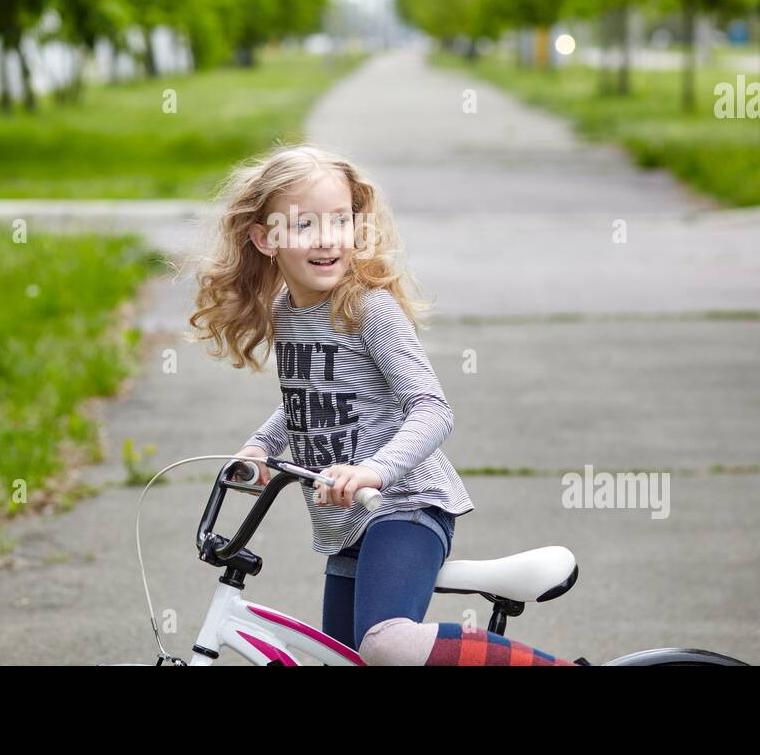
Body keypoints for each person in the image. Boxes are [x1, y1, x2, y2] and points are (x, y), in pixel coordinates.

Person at [183, 142, 585, 666]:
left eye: (340, 221)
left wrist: (374, 469)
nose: (327, 240)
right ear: (265, 238)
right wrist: (262, 446)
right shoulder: (287, 312)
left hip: (406, 505)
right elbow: (309, 402)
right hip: (346, 519)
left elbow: (433, 408)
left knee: (384, 642)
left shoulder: (369, 309)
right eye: (303, 225)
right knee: (343, 659)